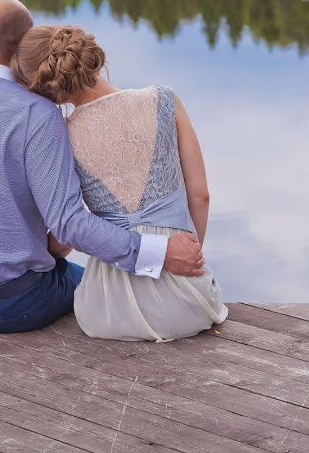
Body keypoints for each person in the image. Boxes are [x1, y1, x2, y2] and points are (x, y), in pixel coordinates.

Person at [0, 0, 204, 333]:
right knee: (100, 285)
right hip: (18, 306)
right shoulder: (38, 115)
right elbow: (67, 223)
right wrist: (157, 252)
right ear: (23, 47)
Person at [13, 25, 228, 341]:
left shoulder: (62, 135)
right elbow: (201, 195)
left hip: (109, 310)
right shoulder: (164, 100)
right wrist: (190, 258)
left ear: (47, 87)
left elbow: (65, 237)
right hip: (188, 303)